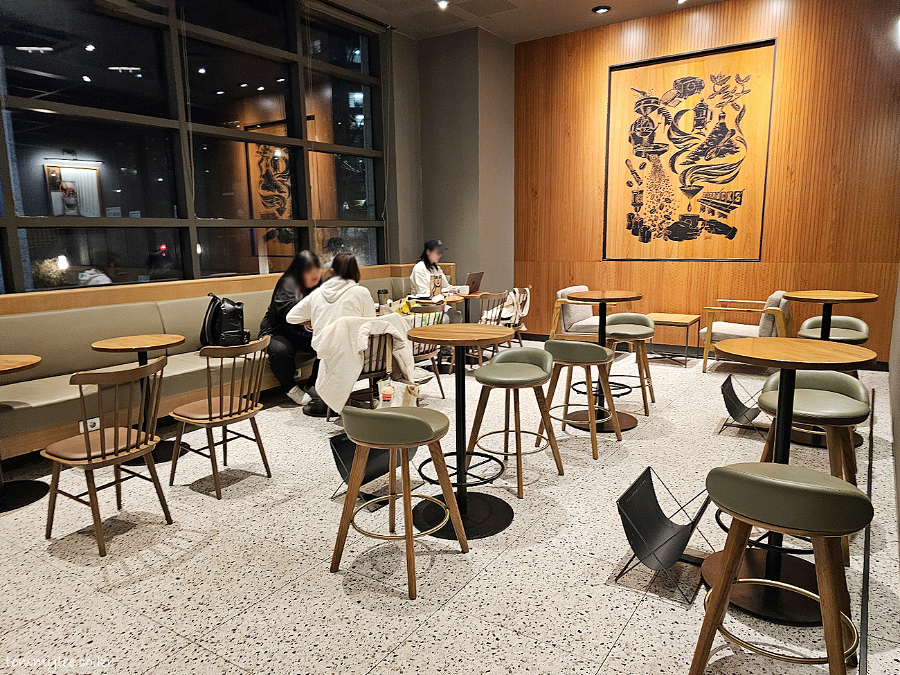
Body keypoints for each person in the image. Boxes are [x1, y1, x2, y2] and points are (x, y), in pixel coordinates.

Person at [286, 253, 375, 415]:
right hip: (352, 353)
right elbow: (371, 323)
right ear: (355, 270)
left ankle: (334, 400)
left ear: (332, 270)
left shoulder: (318, 293)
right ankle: (380, 393)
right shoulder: (360, 292)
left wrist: (315, 320)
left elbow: (291, 317)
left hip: (324, 351)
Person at [259, 251, 322, 407]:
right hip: (276, 331)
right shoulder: (288, 283)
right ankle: (291, 389)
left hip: (300, 333)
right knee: (281, 351)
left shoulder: (317, 283)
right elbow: (285, 312)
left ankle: (312, 384)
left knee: (328, 344)